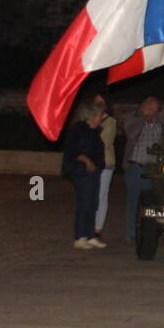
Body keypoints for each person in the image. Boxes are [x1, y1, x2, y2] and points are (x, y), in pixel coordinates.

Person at [121, 93, 164, 243]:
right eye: (150, 107)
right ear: (143, 106)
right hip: (135, 167)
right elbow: (130, 132)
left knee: (153, 202)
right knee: (133, 201)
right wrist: (143, 118)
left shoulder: (161, 120)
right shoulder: (133, 117)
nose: (153, 110)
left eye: (156, 108)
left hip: (154, 169)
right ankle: (130, 234)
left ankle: (151, 233)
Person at [63, 99, 107, 249]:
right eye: (101, 114)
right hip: (81, 171)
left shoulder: (94, 131)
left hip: (94, 171)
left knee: (93, 203)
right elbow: (72, 150)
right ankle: (80, 238)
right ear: (93, 116)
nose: (102, 117)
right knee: (85, 203)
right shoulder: (78, 129)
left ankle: (90, 235)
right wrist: (87, 161)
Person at [91, 91, 117, 243]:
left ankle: (97, 229)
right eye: (96, 102)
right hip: (91, 162)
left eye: (100, 102)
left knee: (101, 195)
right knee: (90, 195)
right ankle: (89, 226)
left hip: (105, 162)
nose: (97, 105)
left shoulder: (110, 121)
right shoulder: (90, 119)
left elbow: (104, 142)